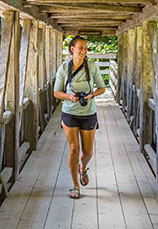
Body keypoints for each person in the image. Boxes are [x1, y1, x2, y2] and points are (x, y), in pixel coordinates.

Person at [53, 36, 105, 199]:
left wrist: (91, 95)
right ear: (72, 49)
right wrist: (69, 97)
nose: (84, 51)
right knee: (73, 149)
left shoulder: (92, 66)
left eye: (85, 48)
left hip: (88, 113)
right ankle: (75, 186)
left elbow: (102, 88)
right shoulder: (63, 68)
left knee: (88, 152)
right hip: (69, 112)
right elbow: (56, 92)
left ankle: (83, 168)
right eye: (80, 47)